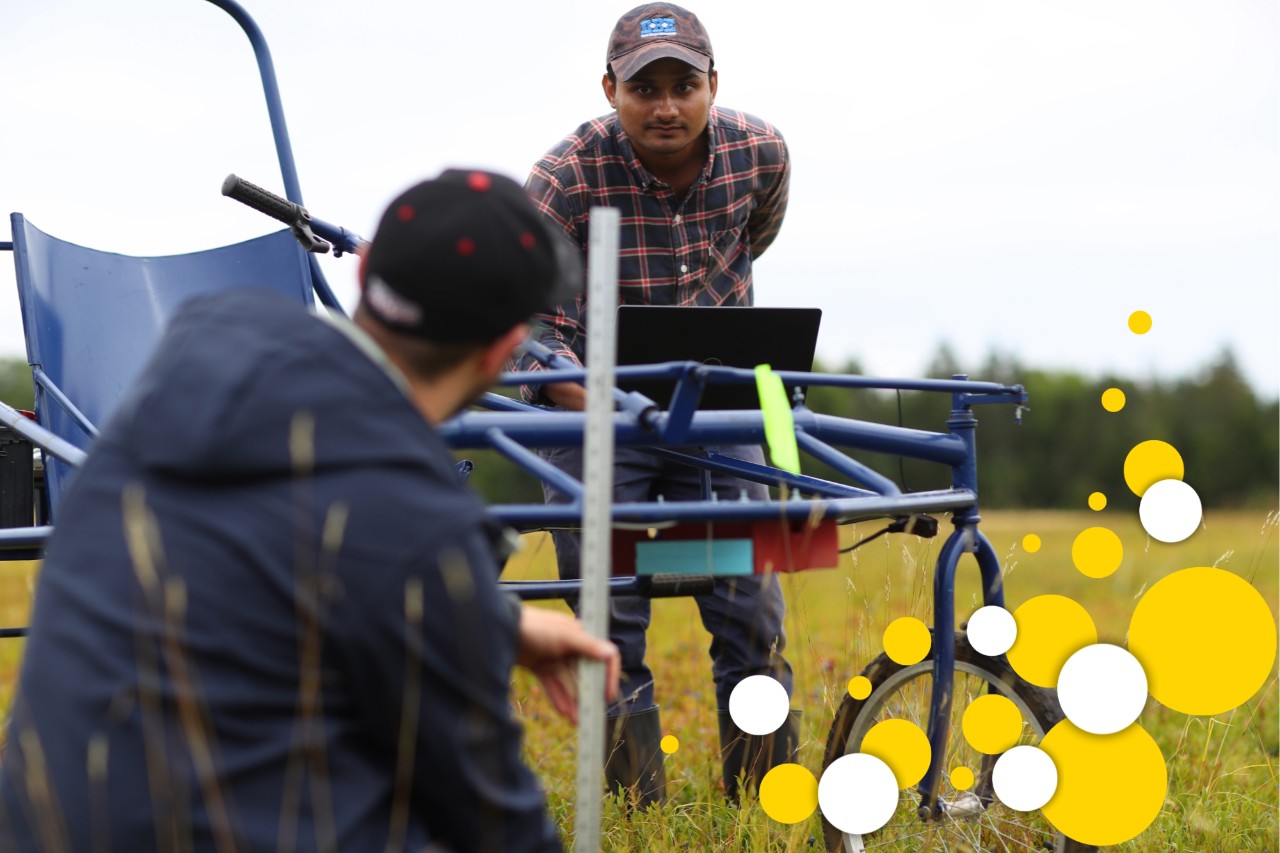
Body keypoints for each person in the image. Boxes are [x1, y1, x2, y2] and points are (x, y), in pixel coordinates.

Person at [0, 169, 620, 852]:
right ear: (502, 351)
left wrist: (488, 619)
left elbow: (270, 551)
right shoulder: (416, 520)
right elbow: (494, 817)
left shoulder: (203, 346)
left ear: (366, 280)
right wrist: (459, 602)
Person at [515, 2, 797, 807]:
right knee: (611, 605)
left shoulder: (762, 152)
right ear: (611, 89)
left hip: (714, 397)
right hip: (590, 403)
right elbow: (530, 331)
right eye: (645, 89)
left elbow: (757, 235)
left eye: (684, 85)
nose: (666, 105)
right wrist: (594, 398)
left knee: (748, 599)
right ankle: (634, 804)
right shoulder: (563, 177)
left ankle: (765, 792)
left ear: (715, 85)